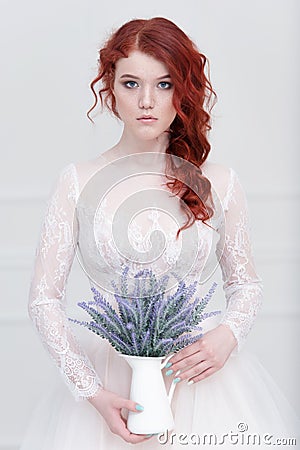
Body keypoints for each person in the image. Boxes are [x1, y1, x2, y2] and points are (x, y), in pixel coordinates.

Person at [21, 17, 299, 449]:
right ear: (109, 86)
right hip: (112, 383)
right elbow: (42, 300)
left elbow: (246, 284)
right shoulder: (76, 181)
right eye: (131, 83)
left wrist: (226, 337)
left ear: (184, 89)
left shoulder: (220, 182)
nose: (146, 101)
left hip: (202, 381)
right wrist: (92, 392)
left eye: (164, 84)